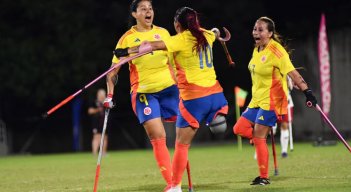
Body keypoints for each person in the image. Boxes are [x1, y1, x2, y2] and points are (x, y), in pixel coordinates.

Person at [116, 7, 229, 192]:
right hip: (217, 95)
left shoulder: (179, 40)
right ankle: (214, 119)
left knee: (181, 145)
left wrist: (126, 51)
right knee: (215, 123)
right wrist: (217, 32)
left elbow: (151, 46)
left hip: (194, 98)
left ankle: (175, 187)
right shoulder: (206, 35)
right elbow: (214, 33)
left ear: (177, 25)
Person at [104, 0, 179, 191]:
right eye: (143, 9)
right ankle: (172, 184)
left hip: (170, 89)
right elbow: (113, 71)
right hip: (144, 92)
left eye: (150, 8)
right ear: (134, 14)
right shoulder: (127, 38)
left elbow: (175, 63)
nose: (148, 12)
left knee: (183, 132)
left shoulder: (163, 33)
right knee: (157, 134)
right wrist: (109, 95)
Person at [233, 16, 317, 185]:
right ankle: (258, 139)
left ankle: (263, 177)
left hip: (273, 101)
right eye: (255, 29)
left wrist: (307, 91)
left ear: (270, 33)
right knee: (239, 128)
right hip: (257, 100)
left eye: (260, 30)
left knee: (258, 137)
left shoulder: (276, 51)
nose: (256, 32)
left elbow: (293, 73)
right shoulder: (256, 49)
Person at [272, 76, 294, 158]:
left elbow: (291, 87)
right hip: (273, 102)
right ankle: (259, 150)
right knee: (269, 128)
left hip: (286, 103)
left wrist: (289, 80)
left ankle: (284, 151)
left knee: (285, 125)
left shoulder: (287, 72)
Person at [88, 89, 108, 156]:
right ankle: (94, 153)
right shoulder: (94, 102)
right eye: (101, 94)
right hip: (96, 123)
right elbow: (90, 111)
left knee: (104, 137)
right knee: (96, 137)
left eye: (104, 94)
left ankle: (103, 153)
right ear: (98, 95)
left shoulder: (106, 102)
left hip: (104, 122)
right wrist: (97, 110)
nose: (102, 96)